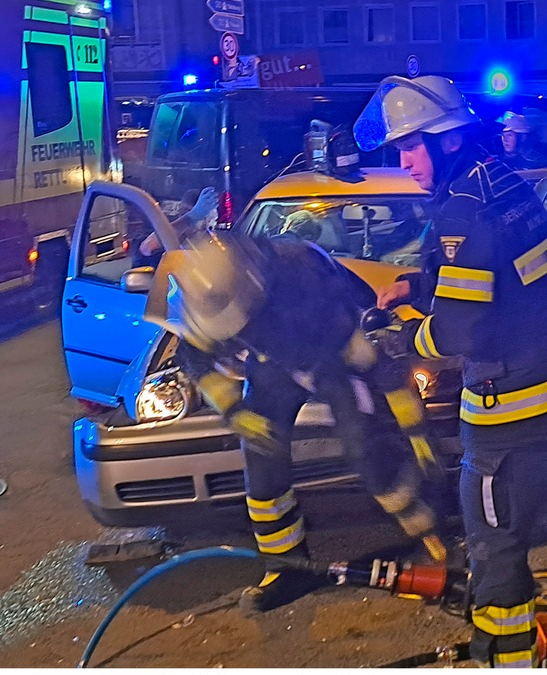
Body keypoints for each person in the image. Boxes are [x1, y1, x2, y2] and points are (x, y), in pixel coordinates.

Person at [355, 75, 547, 668]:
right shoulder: (509, 185)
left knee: (496, 554)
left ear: (444, 141)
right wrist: (419, 284)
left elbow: (459, 333)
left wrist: (399, 337)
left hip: (515, 420)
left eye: (409, 147)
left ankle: (509, 656)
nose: (403, 162)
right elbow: (512, 280)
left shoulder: (462, 212)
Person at [143, 229, 451, 615]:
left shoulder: (307, 278)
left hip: (330, 360)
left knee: (363, 449)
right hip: (273, 369)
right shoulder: (211, 292)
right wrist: (234, 410)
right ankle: (286, 566)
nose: (239, 332)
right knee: (262, 463)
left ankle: (423, 517)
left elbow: (377, 365)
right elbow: (197, 358)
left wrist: (416, 430)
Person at [133, 187, 219, 268]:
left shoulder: (211, 241)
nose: (183, 214)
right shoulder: (163, 229)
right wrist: (191, 218)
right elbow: (147, 248)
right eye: (182, 211)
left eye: (188, 211)